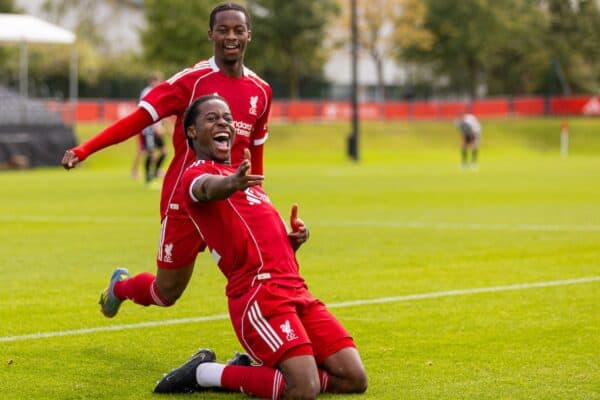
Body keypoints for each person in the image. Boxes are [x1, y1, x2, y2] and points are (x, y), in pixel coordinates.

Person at [61, 3, 272, 316]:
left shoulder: (261, 91)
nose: (231, 36)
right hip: (186, 200)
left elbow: (254, 157)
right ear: (211, 34)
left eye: (238, 30)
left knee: (257, 271)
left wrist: (262, 205)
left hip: (228, 198)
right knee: (166, 292)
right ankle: (121, 287)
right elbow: (138, 120)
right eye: (223, 29)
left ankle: (264, 348)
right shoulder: (192, 81)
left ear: (248, 35)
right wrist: (84, 149)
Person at [153, 95, 368, 399]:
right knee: (303, 388)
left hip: (296, 289)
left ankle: (255, 372)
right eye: (212, 118)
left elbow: (254, 237)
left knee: (354, 378)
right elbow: (205, 189)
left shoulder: (243, 179)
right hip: (259, 295)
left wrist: (290, 240)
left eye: (227, 117)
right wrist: (230, 184)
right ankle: (205, 373)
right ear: (191, 132)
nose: (223, 122)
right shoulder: (195, 175)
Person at [131, 72, 167, 183]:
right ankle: (148, 177)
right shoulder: (147, 92)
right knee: (149, 152)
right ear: (151, 82)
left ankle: (155, 171)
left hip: (156, 127)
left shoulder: (160, 92)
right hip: (148, 129)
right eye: (156, 81)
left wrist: (162, 125)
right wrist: (156, 126)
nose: (158, 83)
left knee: (164, 151)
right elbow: (148, 112)